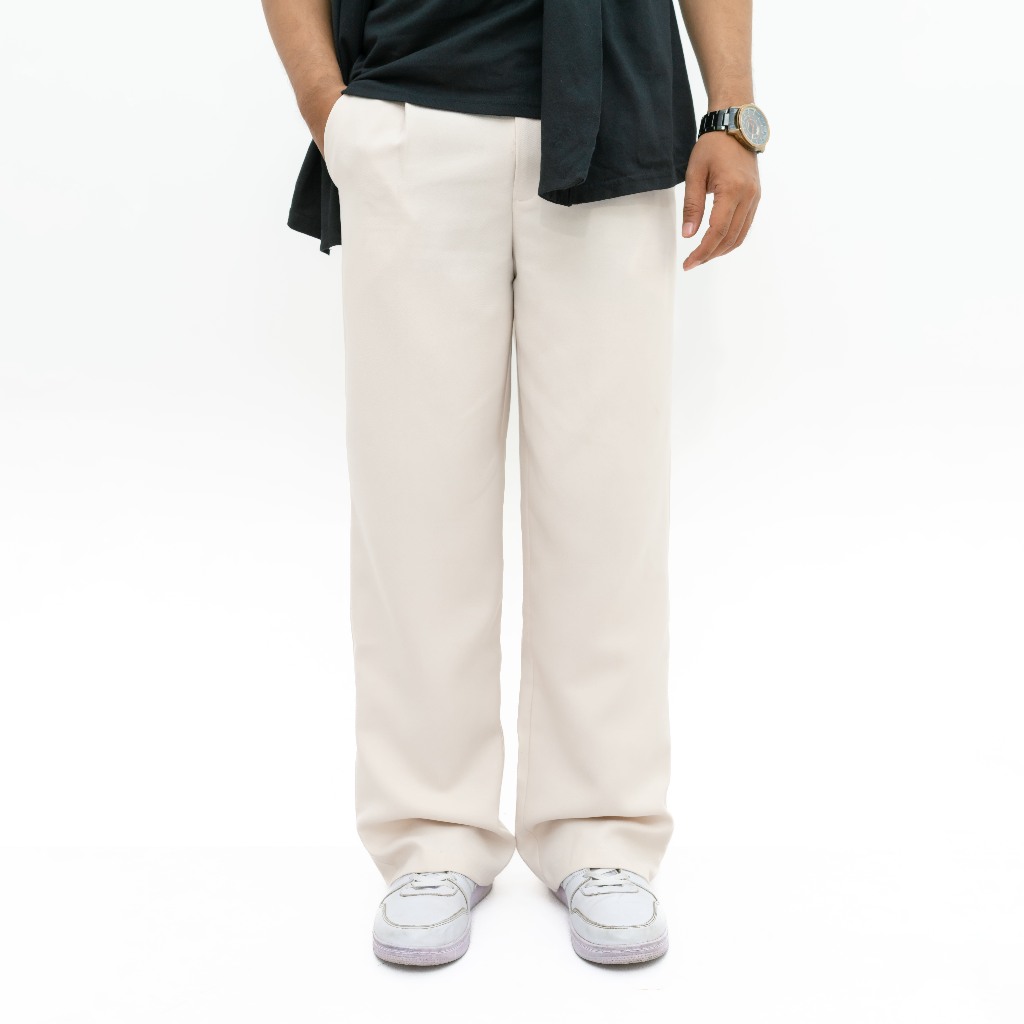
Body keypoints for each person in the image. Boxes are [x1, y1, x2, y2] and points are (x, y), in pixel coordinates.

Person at [261, 0, 767, 967]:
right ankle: (430, 835)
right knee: (414, 511)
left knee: (608, 508)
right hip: (411, 117)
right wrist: (330, 110)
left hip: (615, 117)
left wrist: (733, 113)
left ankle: (602, 829)